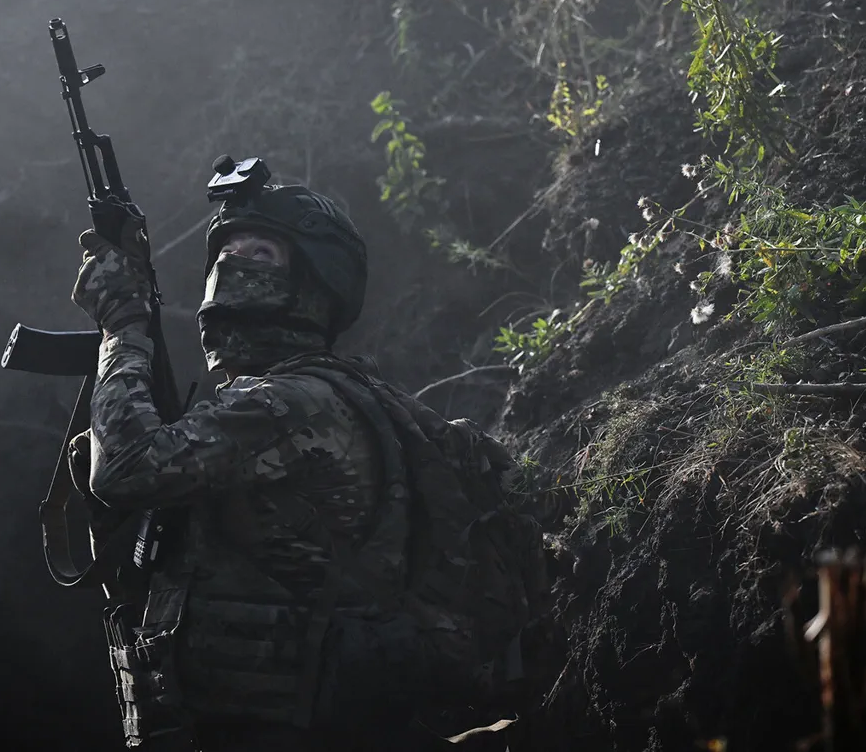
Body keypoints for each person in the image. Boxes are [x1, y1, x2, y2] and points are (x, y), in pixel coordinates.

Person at [70, 177, 531, 751]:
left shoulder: (291, 405)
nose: (232, 265)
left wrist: (122, 326)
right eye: (226, 251)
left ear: (316, 280)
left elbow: (124, 469)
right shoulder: (289, 403)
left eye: (260, 252)